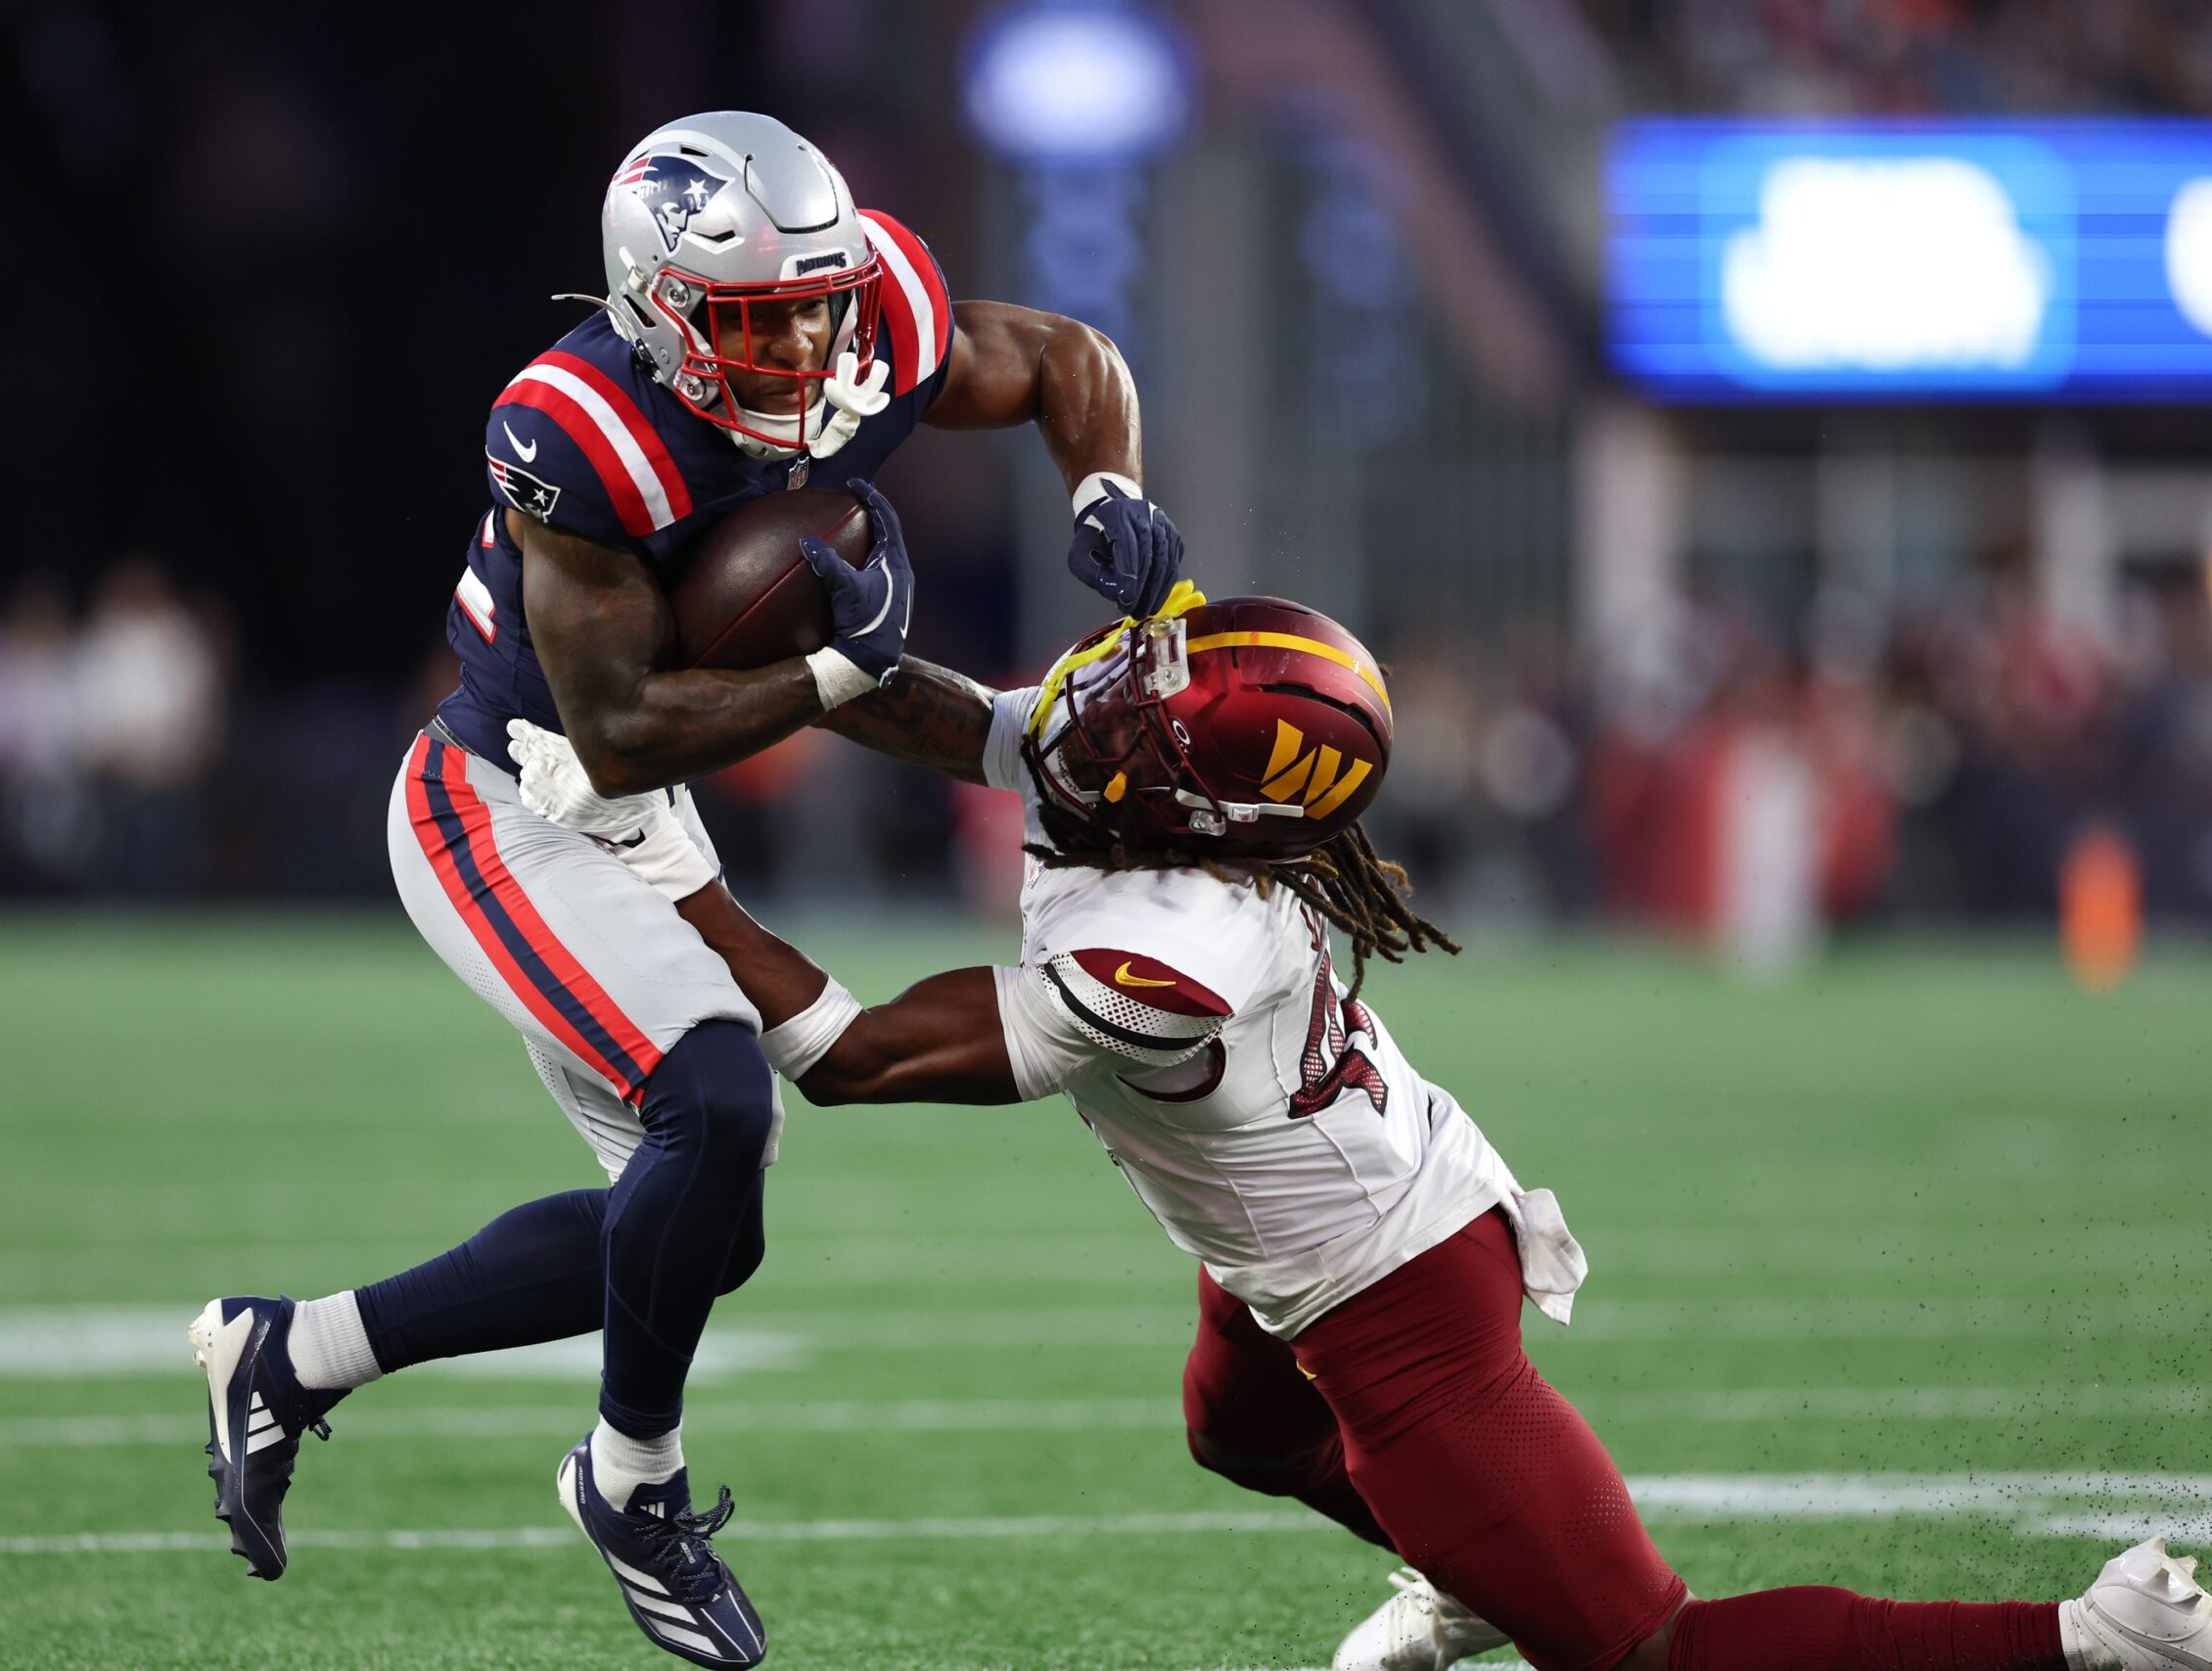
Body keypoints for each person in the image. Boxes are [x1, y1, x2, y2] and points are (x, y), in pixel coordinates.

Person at [519, 585, 2210, 1671]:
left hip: (1394, 1304)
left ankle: (2084, 1635)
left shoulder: (1171, 948)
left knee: (1647, 1652)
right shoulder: (1189, 815)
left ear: (1207, 808)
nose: (1086, 716)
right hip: (1333, 1221)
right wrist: (775, 663)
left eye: (1131, 720)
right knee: (1234, 1430)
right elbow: (965, 720)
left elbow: (853, 1055)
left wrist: (679, 874)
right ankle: (1463, 1575)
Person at [186, 110, 1184, 1670]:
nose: (805, 340)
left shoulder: (870, 318)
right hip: (506, 802)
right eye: (759, 314)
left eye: (820, 302)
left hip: (640, 808)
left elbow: (1064, 359)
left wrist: (1101, 499)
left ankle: (291, 1355)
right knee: (713, 1107)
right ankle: (628, 1484)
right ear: (656, 304)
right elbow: (618, 720)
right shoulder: (574, 429)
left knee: (703, 1231)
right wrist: (841, 664)